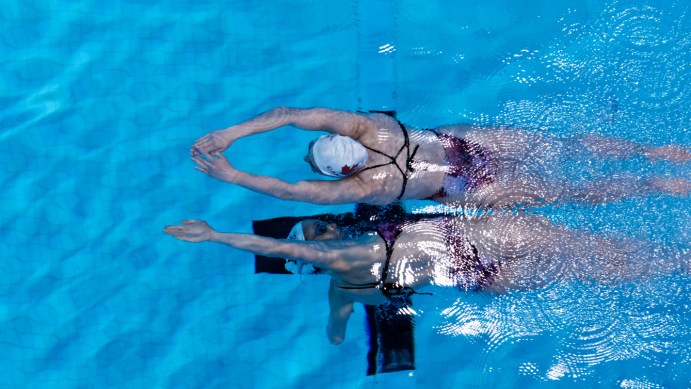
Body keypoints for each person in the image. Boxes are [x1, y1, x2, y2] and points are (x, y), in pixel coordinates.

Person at [163, 212, 687, 345]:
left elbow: (338, 324)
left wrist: (338, 331)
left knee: (596, 269)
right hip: (477, 236)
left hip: (479, 273)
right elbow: (276, 245)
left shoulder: (341, 280)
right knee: (596, 252)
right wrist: (214, 235)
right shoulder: (348, 247)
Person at [190, 107, 691, 207]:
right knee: (567, 146)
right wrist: (231, 133)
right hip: (464, 145)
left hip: (459, 188)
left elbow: (288, 191)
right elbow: (290, 113)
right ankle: (657, 154)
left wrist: (232, 177)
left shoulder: (361, 188)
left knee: (572, 195)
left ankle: (657, 187)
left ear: (339, 170)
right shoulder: (370, 126)